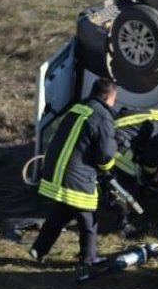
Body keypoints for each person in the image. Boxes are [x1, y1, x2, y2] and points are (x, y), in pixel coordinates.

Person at [29, 79, 118, 266]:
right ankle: (88, 259)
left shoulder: (78, 107)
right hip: (75, 174)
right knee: (88, 218)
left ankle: (38, 249)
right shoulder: (102, 116)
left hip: (56, 169)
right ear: (109, 97)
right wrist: (106, 170)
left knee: (61, 212)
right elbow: (106, 153)